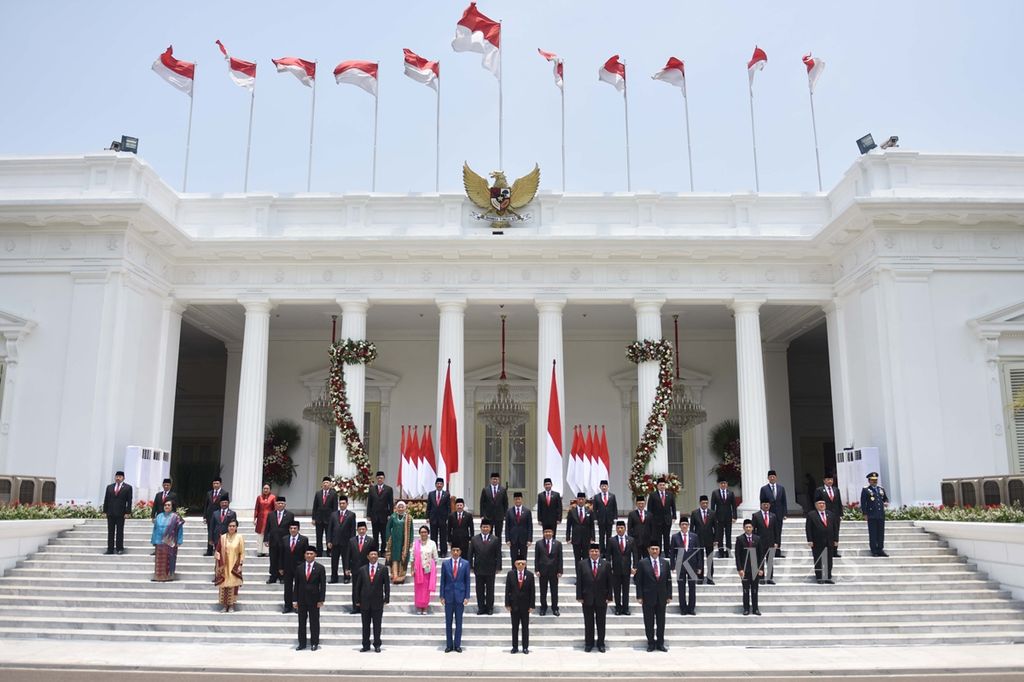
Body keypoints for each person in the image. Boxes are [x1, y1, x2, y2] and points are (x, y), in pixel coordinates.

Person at [635, 543, 672, 652]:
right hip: (647, 597)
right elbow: (639, 581)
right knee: (649, 621)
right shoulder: (642, 563)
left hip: (661, 597)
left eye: (656, 549)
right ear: (648, 550)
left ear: (660, 550)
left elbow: (668, 581)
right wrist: (639, 596)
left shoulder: (665, 563)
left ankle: (660, 643)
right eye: (652, 549)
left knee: (661, 622)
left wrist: (669, 595)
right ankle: (651, 643)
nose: (655, 551)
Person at [576, 543, 612, 653]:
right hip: (587, 598)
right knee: (588, 622)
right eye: (592, 551)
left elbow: (609, 582)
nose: (594, 553)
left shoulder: (606, 564)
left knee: (601, 622)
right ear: (589, 552)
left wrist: (609, 596)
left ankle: (601, 643)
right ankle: (589, 643)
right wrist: (579, 596)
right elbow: (580, 581)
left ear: (599, 552)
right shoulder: (582, 564)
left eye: (596, 551)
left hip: (602, 597)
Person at [354, 549, 389, 652]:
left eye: (375, 554)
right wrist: (357, 599)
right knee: (365, 625)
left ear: (377, 556)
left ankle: (377, 644)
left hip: (378, 601)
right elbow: (358, 586)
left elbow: (386, 584)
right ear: (368, 557)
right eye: (371, 554)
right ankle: (365, 645)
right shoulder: (362, 569)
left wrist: (386, 597)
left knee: (377, 625)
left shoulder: (383, 569)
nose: (373, 556)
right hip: (364, 601)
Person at [293, 547, 326, 651]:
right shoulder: (299, 568)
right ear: (304, 555)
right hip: (301, 599)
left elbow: (323, 585)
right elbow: (296, 585)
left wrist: (321, 599)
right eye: (307, 553)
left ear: (315, 555)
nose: (309, 555)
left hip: (314, 599)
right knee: (301, 622)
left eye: (311, 553)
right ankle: (302, 643)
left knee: (314, 622)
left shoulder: (320, 568)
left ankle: (314, 643)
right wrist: (295, 600)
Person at [440, 545, 470, 653]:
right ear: (451, 551)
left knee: (459, 622)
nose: (456, 552)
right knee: (448, 622)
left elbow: (467, 581)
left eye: (457, 550)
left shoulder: (465, 564)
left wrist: (467, 596)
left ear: (460, 551)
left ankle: (457, 645)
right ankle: (449, 645)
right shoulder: (445, 563)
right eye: (454, 550)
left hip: (460, 597)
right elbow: (443, 580)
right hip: (448, 596)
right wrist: (441, 596)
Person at [669, 517, 702, 615]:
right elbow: (672, 553)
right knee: (681, 588)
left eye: (686, 524)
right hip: (680, 565)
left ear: (688, 526)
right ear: (679, 526)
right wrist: (672, 566)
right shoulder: (675, 537)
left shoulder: (694, 536)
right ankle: (683, 608)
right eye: (682, 524)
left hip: (692, 565)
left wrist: (699, 566)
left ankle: (691, 608)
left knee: (692, 587)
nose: (684, 526)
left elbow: (698, 552)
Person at [469, 518, 502, 615]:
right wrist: (470, 566)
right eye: (483, 527)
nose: (485, 529)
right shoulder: (474, 539)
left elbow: (498, 554)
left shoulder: (495, 539)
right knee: (479, 589)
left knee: (490, 589)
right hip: (478, 568)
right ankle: (481, 608)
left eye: (487, 527)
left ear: (490, 528)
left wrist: (498, 567)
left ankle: (489, 608)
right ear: (480, 528)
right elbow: (470, 554)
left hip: (491, 568)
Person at [505, 557, 535, 654]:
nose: (520, 565)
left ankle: (525, 647)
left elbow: (532, 591)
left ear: (525, 564)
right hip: (514, 606)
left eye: (522, 563)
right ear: (515, 564)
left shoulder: (530, 575)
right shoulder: (510, 574)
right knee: (515, 627)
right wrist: (507, 604)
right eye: (519, 563)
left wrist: (532, 606)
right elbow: (507, 590)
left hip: (525, 606)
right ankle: (515, 647)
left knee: (525, 627)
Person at [214, 518, 245, 613]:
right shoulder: (223, 537)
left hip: (234, 565)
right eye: (230, 526)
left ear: (236, 527)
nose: (231, 527)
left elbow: (242, 552)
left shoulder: (240, 537)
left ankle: (231, 606)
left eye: (233, 526)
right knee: (224, 585)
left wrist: (240, 564)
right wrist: (219, 564)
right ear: (227, 527)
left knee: (233, 585)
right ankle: (224, 606)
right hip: (224, 565)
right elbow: (217, 551)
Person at [607, 520, 636, 616]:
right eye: (618, 528)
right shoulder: (612, 540)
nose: (620, 530)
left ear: (625, 528)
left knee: (626, 590)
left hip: (627, 569)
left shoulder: (631, 540)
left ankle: (626, 608)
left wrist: (634, 567)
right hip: (616, 569)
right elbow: (608, 556)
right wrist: (608, 568)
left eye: (621, 528)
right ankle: (618, 607)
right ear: (616, 529)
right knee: (617, 590)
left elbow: (635, 554)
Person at [279, 521, 309, 614]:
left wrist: (305, 567)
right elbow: (281, 554)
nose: (293, 530)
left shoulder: (304, 539)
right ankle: (287, 606)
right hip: (287, 568)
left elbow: (306, 555)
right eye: (291, 528)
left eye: (295, 528)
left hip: (299, 568)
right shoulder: (284, 539)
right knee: (287, 588)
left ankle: (298, 606)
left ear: (298, 529)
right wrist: (280, 567)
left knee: (299, 588)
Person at [347, 521, 377, 613]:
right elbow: (348, 555)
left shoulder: (371, 540)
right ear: (357, 530)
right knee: (355, 588)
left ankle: (365, 607)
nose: (361, 531)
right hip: (355, 568)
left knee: (365, 588)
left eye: (363, 529)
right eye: (359, 529)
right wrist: (347, 568)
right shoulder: (352, 540)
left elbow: (373, 555)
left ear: (366, 530)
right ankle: (355, 607)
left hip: (366, 569)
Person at [735, 519, 763, 616]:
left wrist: (761, 568)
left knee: (755, 589)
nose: (748, 528)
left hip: (755, 568)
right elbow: (737, 555)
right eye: (746, 527)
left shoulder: (757, 538)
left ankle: (755, 609)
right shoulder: (740, 539)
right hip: (745, 568)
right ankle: (746, 608)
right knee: (746, 590)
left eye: (749, 527)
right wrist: (740, 569)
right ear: (743, 528)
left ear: (752, 528)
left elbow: (761, 555)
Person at [150, 499, 184, 581]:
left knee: (169, 559)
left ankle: (169, 576)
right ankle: (158, 576)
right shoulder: (159, 516)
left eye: (169, 505)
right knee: (159, 560)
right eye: (165, 505)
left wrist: (179, 541)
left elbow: (180, 529)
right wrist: (154, 540)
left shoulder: (176, 517)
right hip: (159, 541)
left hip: (170, 542)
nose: (167, 506)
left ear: (172, 507)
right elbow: (155, 529)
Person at [806, 499, 838, 584]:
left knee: (829, 560)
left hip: (829, 541)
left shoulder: (830, 514)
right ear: (816, 505)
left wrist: (836, 539)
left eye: (823, 503)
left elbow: (835, 528)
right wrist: (810, 540)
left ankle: (828, 577)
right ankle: (819, 577)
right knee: (818, 559)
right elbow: (808, 528)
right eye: (820, 503)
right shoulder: (811, 515)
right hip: (817, 541)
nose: (822, 505)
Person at [534, 526, 563, 616]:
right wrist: (537, 569)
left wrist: (560, 570)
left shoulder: (558, 543)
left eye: (549, 532)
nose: (548, 534)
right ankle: (543, 607)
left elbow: (560, 558)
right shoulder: (539, 543)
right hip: (543, 571)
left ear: (552, 533)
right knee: (543, 591)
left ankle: (555, 608)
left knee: (554, 591)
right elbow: (536, 557)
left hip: (554, 571)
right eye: (546, 532)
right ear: (543, 533)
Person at [265, 497, 295, 584]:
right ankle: (273, 576)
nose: (280, 505)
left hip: (284, 541)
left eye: (282, 503)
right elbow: (267, 527)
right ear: (275, 504)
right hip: (273, 540)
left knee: (283, 559)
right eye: (278, 503)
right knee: (273, 558)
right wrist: (266, 539)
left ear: (285, 505)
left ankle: (282, 577)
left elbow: (292, 529)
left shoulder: (290, 515)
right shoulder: (271, 514)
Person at [759, 470, 789, 557]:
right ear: (768, 478)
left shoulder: (781, 488)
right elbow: (762, 502)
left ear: (776, 478)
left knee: (778, 532)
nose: (772, 478)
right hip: (769, 514)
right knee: (769, 533)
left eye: (773, 476)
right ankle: (768, 551)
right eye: (770, 476)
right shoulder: (764, 489)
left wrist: (784, 513)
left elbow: (784, 501)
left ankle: (778, 551)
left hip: (779, 514)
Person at [327, 495, 356, 583]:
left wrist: (352, 542)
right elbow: (330, 528)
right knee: (334, 561)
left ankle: (346, 577)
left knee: (346, 561)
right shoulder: (333, 514)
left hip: (346, 542)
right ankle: (334, 577)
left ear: (347, 504)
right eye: (340, 503)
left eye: (343, 503)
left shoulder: (351, 515)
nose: (342, 505)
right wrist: (329, 540)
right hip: (335, 542)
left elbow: (352, 530)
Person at [102, 471, 132, 555]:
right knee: (110, 531)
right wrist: (105, 511)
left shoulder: (127, 487)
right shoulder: (109, 487)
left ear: (123, 478)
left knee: (119, 531)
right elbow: (106, 499)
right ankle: (110, 549)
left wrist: (128, 512)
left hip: (121, 513)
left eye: (120, 476)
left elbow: (129, 501)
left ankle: (119, 548)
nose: (118, 478)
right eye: (117, 476)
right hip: (110, 513)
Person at [814, 473, 844, 557]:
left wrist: (840, 514)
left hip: (835, 515)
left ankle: (834, 550)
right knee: (825, 533)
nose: (830, 481)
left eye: (831, 479)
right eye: (828, 479)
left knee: (835, 533)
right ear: (824, 481)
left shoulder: (836, 490)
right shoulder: (819, 490)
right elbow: (816, 502)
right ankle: (826, 550)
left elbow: (839, 502)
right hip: (824, 514)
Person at [689, 495, 717, 585]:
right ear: (700, 503)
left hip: (709, 540)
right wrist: (691, 540)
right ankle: (700, 578)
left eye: (706, 503)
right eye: (703, 503)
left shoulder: (712, 513)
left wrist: (716, 539)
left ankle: (710, 578)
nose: (705, 504)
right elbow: (692, 528)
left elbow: (716, 527)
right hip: (698, 540)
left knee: (710, 559)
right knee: (699, 560)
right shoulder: (694, 513)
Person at [750, 500, 780, 585]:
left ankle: (770, 578)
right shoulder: (756, 515)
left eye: (767, 504)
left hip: (770, 542)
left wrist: (776, 542)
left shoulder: (773, 516)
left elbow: (776, 530)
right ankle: (761, 578)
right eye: (764, 504)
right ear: (761, 505)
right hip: (760, 542)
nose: (766, 506)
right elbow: (753, 529)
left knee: (770, 561)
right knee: (760, 561)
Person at [861, 472, 890, 557]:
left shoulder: (881, 489)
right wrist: (865, 514)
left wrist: (886, 502)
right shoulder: (866, 490)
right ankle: (874, 550)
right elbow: (863, 503)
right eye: (873, 480)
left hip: (880, 514)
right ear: (869, 481)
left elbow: (885, 499)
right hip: (871, 514)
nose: (875, 482)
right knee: (873, 533)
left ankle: (880, 549)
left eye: (876, 480)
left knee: (881, 533)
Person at [384, 500, 414, 583]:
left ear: (405, 508)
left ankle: (401, 576)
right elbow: (388, 528)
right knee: (394, 558)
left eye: (402, 507)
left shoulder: (409, 518)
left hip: (404, 541)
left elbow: (411, 530)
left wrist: (410, 541)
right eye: (399, 507)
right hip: (394, 541)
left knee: (403, 558)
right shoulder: (393, 517)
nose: (400, 509)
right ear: (396, 508)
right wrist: (388, 539)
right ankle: (394, 575)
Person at [413, 525, 439, 614]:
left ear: (428, 533)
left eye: (425, 532)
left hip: (428, 570)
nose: (423, 534)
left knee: (426, 590)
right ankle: (419, 606)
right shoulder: (415, 543)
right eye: (422, 532)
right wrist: (412, 570)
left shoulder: (432, 543)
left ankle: (425, 607)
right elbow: (412, 559)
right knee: (419, 589)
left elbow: (435, 558)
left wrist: (433, 569)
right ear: (419, 533)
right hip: (418, 570)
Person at [366, 471, 394, 555]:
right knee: (375, 535)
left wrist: (390, 514)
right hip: (374, 516)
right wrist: (368, 514)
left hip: (384, 515)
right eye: (378, 478)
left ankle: (383, 550)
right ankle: (376, 550)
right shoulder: (372, 489)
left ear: (384, 479)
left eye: (381, 478)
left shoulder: (388, 489)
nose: (379, 479)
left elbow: (390, 503)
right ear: (376, 479)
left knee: (383, 534)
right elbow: (369, 503)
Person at [566, 492, 594, 570]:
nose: (581, 501)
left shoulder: (589, 511)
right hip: (576, 539)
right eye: (579, 499)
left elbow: (592, 526)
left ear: (585, 500)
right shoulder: (572, 511)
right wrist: (568, 537)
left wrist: (593, 537)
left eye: (582, 499)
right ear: (576, 500)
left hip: (586, 538)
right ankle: (579, 578)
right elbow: (569, 526)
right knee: (577, 559)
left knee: (586, 558)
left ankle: (585, 577)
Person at [647, 478, 676, 552]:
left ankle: (667, 552)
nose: (662, 486)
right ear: (657, 486)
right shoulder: (653, 495)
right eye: (660, 485)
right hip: (656, 521)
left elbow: (673, 506)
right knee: (658, 537)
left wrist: (674, 516)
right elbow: (649, 508)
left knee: (667, 537)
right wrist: (650, 519)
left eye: (663, 485)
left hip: (667, 520)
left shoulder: (670, 494)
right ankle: (658, 553)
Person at [311, 476, 338, 557]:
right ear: (322, 484)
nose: (325, 484)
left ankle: (329, 551)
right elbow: (315, 506)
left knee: (328, 536)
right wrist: (313, 518)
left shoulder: (333, 494)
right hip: (319, 518)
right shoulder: (318, 493)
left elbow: (335, 507)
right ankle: (319, 552)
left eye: (327, 483)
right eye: (324, 483)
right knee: (318, 536)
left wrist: (334, 519)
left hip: (329, 519)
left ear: (330, 484)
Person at [710, 479, 737, 557]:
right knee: (719, 535)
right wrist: (713, 517)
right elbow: (712, 506)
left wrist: (734, 516)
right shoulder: (715, 493)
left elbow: (734, 506)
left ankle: (728, 551)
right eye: (722, 483)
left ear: (727, 484)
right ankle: (720, 552)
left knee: (728, 535)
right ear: (719, 484)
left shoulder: (731, 493)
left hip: (728, 517)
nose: (723, 485)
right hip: (718, 517)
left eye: (724, 483)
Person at [591, 480, 618, 558]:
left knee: (609, 536)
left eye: (605, 486)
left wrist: (615, 517)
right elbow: (595, 509)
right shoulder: (597, 497)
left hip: (609, 519)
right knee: (601, 536)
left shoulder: (612, 496)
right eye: (602, 486)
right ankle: (602, 552)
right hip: (601, 519)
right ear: (600, 487)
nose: (604, 487)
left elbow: (614, 507)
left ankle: (608, 552)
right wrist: (595, 519)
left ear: (607, 487)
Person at [479, 472, 509, 542]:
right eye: (493, 479)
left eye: (496, 479)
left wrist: (505, 514)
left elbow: (505, 503)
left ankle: (498, 551)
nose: (495, 480)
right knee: (489, 534)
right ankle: (489, 550)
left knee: (498, 534)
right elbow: (482, 503)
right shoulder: (485, 490)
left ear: (499, 480)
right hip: (488, 516)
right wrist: (482, 515)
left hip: (499, 516)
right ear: (490, 480)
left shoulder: (502, 490)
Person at [505, 491, 533, 564]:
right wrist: (507, 539)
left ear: (522, 500)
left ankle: (523, 573)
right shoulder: (509, 511)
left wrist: (529, 539)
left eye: (519, 499)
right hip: (513, 539)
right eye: (516, 499)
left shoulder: (527, 511)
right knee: (514, 557)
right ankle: (514, 573)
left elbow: (530, 526)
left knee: (523, 558)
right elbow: (507, 526)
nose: (517, 501)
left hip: (524, 538)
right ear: (514, 500)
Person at [426, 478, 451, 557]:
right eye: (438, 483)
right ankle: (434, 551)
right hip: (433, 518)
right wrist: (427, 516)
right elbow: (429, 506)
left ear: (443, 485)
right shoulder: (431, 494)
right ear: (435, 484)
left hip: (443, 519)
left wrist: (448, 518)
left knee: (443, 536)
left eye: (441, 484)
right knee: (433, 536)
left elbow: (448, 507)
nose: (439, 485)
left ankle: (443, 552)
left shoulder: (446, 494)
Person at [203, 477, 228, 556]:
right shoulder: (209, 493)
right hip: (210, 516)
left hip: (219, 517)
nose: (215, 485)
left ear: (220, 484)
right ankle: (209, 550)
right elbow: (206, 505)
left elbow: (226, 505)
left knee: (218, 533)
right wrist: (205, 516)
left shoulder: (224, 493)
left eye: (217, 483)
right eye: (214, 483)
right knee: (210, 533)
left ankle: (218, 549)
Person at [253, 483, 276, 557]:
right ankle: (259, 551)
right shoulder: (259, 497)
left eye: (267, 488)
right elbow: (257, 508)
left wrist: (274, 519)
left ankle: (266, 551)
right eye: (264, 488)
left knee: (267, 534)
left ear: (270, 489)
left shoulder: (273, 497)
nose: (265, 490)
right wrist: (255, 518)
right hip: (260, 518)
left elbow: (274, 509)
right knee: (260, 535)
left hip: (269, 518)